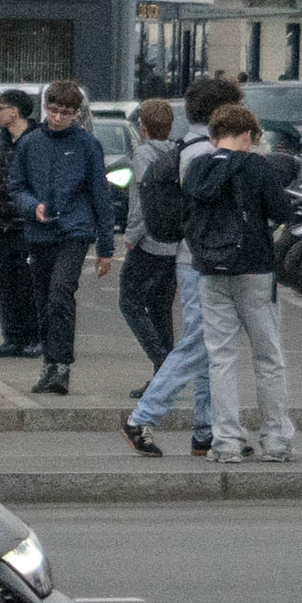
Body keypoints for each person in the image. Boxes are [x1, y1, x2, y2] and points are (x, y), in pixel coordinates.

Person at [121, 76, 234, 458]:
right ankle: (143, 416)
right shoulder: (202, 152)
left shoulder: (190, 146)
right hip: (201, 257)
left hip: (193, 255)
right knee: (199, 342)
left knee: (206, 343)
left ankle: (205, 431)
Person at [185, 103, 298, 463]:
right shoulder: (257, 167)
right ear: (248, 135)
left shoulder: (197, 168)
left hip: (210, 270)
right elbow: (282, 211)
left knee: (220, 357)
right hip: (254, 268)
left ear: (214, 137)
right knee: (268, 357)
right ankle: (275, 439)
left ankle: (226, 442)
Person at [7, 78, 117, 396]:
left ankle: (61, 366)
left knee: (60, 292)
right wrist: (32, 207)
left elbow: (101, 196)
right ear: (45, 108)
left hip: (74, 230)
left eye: (65, 113)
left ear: (77, 114)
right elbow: (16, 186)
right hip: (39, 230)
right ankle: (49, 362)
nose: (57, 118)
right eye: (53, 111)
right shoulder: (30, 143)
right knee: (44, 299)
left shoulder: (87, 144)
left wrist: (106, 247)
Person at [117, 97, 180, 389]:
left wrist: (132, 235)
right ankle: (162, 378)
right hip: (173, 242)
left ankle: (164, 365)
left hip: (149, 241)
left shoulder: (143, 154)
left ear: (142, 127)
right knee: (160, 306)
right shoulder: (176, 152)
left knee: (130, 302)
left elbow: (142, 199)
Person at [0, 89, 43, 357]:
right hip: (1, 224)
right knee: (4, 284)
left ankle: (35, 336)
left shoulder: (36, 141)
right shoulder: (3, 143)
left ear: (15, 111)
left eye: (1, 108)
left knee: (28, 284)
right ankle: (13, 337)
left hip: (25, 225)